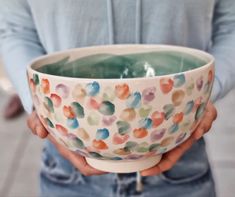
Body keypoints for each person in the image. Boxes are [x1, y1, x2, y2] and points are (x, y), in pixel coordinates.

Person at [1, 0, 234, 196]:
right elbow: (14, 29)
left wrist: (202, 93)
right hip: (68, 167)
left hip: (180, 157)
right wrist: (41, 104)